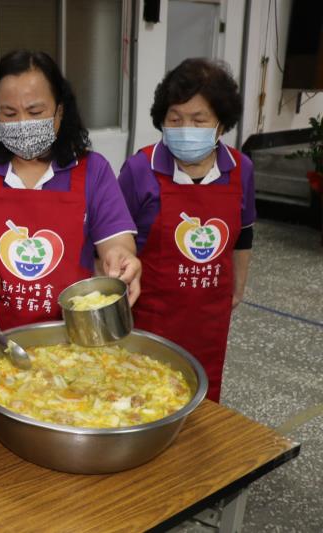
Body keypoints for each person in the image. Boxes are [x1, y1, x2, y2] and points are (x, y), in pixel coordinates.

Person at [0, 50, 141, 387]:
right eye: (9, 113)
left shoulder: (92, 170)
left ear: (59, 112)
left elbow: (117, 240)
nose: (23, 123)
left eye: (35, 111)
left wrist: (121, 258)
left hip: (66, 343)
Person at [117, 58, 254, 403]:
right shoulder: (140, 168)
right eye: (175, 119)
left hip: (209, 319)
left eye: (198, 120)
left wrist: (237, 286)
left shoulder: (241, 169)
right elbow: (110, 240)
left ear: (221, 125)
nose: (185, 128)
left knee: (201, 401)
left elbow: (245, 231)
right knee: (141, 402)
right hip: (149, 318)